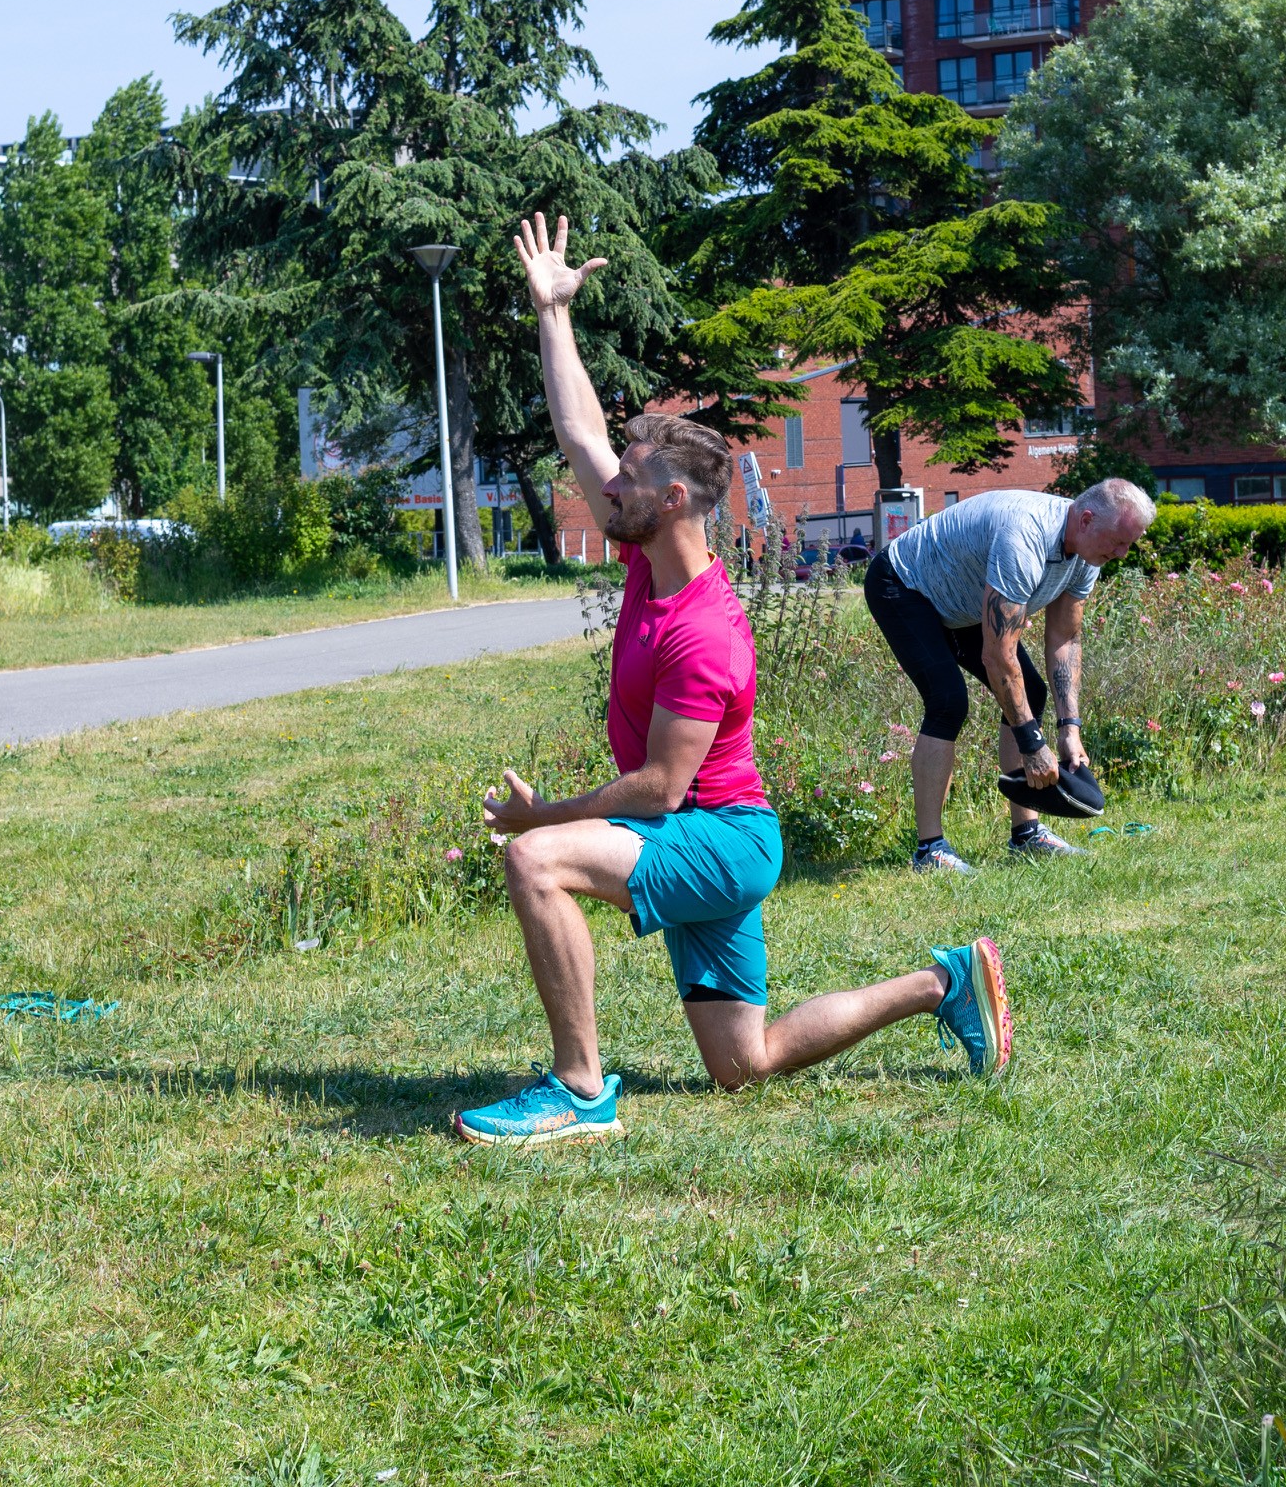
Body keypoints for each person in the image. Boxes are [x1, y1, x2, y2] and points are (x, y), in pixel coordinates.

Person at [457, 214, 1012, 1149]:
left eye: (628, 478)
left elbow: (657, 791)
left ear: (672, 499)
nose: (608, 485)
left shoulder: (706, 631)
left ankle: (579, 1090)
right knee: (742, 1063)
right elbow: (580, 428)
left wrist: (543, 817)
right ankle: (944, 983)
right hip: (713, 837)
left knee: (534, 863)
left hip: (715, 836)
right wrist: (553, 313)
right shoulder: (649, 557)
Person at [864, 481, 1157, 875]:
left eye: (1129, 545)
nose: (1121, 553)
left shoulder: (1087, 555)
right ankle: (929, 850)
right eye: (1119, 541)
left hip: (965, 602)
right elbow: (997, 657)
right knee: (948, 700)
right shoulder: (1025, 538)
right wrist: (1033, 743)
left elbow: (1065, 639)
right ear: (1087, 520)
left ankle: (1027, 835)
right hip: (904, 585)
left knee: (1031, 693)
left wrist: (1069, 727)